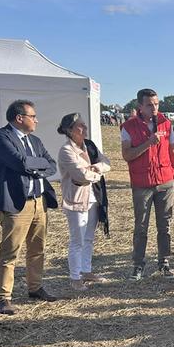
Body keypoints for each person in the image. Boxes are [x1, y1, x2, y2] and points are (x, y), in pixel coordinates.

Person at [0, 100, 59, 315]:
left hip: (39, 201)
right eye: (33, 116)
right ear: (19, 118)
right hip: (16, 203)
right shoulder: (1, 137)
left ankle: (35, 287)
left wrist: (35, 168)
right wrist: (37, 166)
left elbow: (52, 164)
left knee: (38, 248)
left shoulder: (35, 141)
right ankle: (3, 298)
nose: (36, 120)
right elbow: (19, 162)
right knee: (10, 251)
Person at [121, 88, 174, 281]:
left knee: (165, 225)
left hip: (165, 181)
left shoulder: (166, 123)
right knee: (141, 226)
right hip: (142, 183)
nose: (154, 108)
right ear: (140, 106)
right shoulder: (129, 127)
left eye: (156, 104)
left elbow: (172, 151)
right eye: (149, 105)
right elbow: (127, 155)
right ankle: (138, 264)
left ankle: (164, 262)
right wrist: (147, 143)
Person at [57, 113, 111, 291]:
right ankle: (75, 277)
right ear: (70, 130)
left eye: (84, 125)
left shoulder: (90, 146)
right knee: (77, 240)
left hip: (94, 198)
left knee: (89, 238)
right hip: (77, 200)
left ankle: (86, 270)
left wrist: (95, 168)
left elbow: (106, 163)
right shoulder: (66, 150)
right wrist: (96, 173)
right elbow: (80, 175)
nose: (85, 128)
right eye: (80, 126)